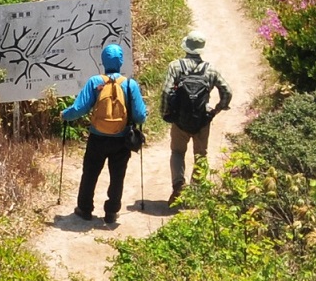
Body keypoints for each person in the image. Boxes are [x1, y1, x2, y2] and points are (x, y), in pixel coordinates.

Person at [60, 41, 145, 225]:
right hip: (122, 139)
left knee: (90, 173)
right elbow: (139, 116)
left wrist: (65, 115)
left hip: (97, 138)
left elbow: (79, 108)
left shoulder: (95, 82)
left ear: (103, 61)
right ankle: (111, 212)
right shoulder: (130, 84)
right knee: (117, 176)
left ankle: (84, 209)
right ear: (121, 61)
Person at [161, 31, 232, 201]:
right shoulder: (211, 69)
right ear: (201, 49)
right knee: (201, 154)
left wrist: (166, 112)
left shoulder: (175, 66)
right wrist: (217, 109)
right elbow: (227, 91)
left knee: (177, 152)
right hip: (202, 119)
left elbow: (166, 91)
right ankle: (197, 193)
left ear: (186, 47)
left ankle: (178, 185)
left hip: (179, 119)